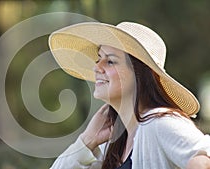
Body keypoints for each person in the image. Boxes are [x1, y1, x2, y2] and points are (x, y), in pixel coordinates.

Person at [48, 21, 210, 169]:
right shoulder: (112, 143)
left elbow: (204, 161)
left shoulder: (160, 123)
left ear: (138, 74)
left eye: (110, 61)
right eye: (98, 59)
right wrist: (87, 141)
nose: (97, 67)